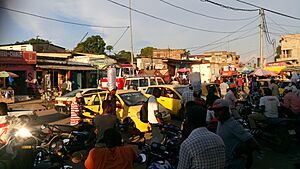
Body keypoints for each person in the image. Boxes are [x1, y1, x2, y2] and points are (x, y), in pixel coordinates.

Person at [213, 99, 259, 169]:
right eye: (215, 111)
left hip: (234, 165)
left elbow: (253, 143)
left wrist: (236, 153)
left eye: (219, 110)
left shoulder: (233, 125)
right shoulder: (220, 121)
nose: (216, 113)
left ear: (226, 110)